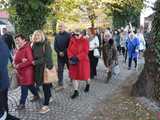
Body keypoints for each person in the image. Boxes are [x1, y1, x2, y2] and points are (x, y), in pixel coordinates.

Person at [14, 34, 39, 110]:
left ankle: (22, 104)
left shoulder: (27, 48)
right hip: (22, 72)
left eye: (18, 40)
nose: (17, 41)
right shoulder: (20, 47)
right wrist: (15, 62)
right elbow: (19, 57)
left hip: (27, 72)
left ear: (24, 40)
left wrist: (19, 65)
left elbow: (30, 61)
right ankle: (36, 95)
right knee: (30, 85)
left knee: (24, 88)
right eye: (16, 40)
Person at [31, 30, 53, 114]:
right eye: (35, 35)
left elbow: (47, 58)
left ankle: (46, 105)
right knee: (42, 85)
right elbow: (31, 55)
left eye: (38, 36)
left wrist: (35, 62)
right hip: (37, 69)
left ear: (42, 36)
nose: (36, 37)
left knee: (45, 86)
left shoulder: (46, 44)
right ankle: (49, 97)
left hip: (45, 68)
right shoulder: (33, 45)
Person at [0, 37, 20, 120]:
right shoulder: (3, 43)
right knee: (4, 101)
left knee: (2, 102)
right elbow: (8, 54)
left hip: (1, 80)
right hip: (3, 80)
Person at [67, 29, 90, 99]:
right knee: (74, 76)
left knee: (85, 76)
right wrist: (70, 56)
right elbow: (68, 49)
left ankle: (88, 84)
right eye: (74, 34)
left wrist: (77, 57)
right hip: (73, 62)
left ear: (81, 34)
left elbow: (85, 52)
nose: (76, 36)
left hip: (83, 62)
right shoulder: (72, 40)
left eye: (77, 35)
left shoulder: (85, 41)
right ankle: (76, 91)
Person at [54, 23, 70, 90]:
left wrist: (63, 52)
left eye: (61, 26)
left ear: (64, 27)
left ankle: (72, 79)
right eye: (59, 26)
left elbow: (70, 46)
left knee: (70, 68)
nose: (60, 27)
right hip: (59, 56)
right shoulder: (57, 36)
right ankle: (60, 83)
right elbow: (55, 46)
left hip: (67, 55)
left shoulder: (69, 35)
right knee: (60, 70)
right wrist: (59, 52)